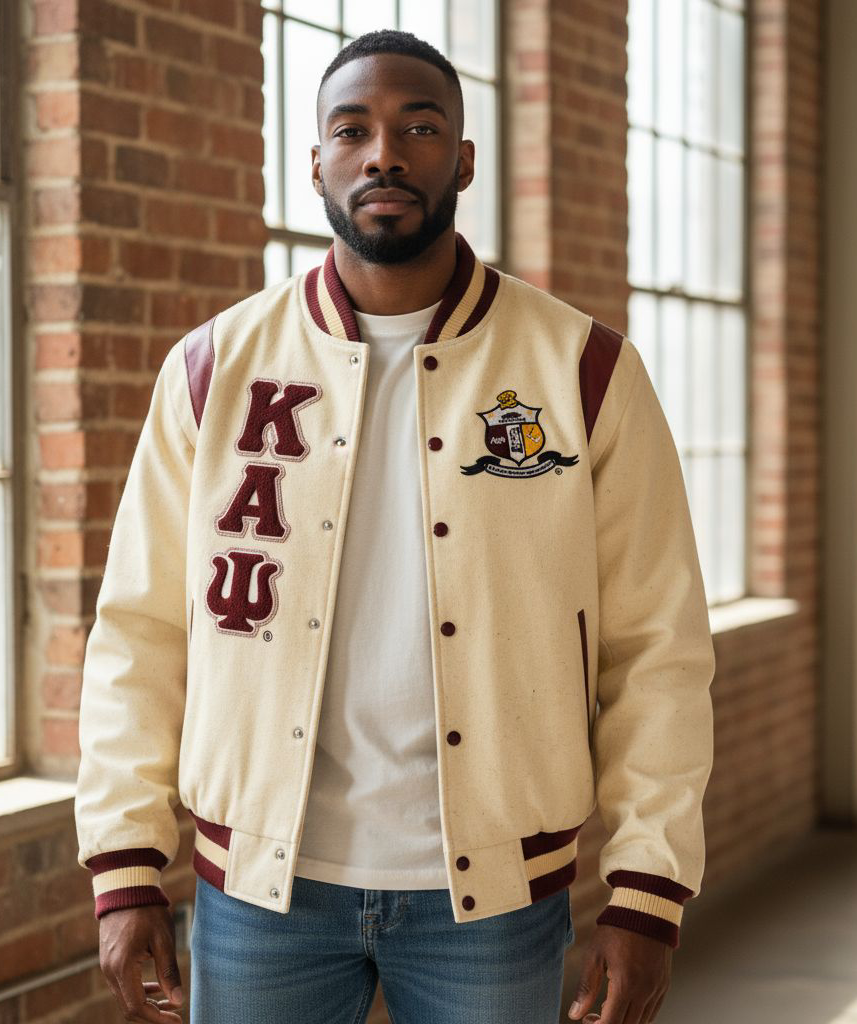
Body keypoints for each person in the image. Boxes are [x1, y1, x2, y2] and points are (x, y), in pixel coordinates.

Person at [74, 28, 716, 1024]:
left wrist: (646, 888)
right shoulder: (212, 370)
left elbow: (657, 649)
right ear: (316, 164)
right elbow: (142, 631)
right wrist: (123, 863)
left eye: (418, 127)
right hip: (257, 891)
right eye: (353, 129)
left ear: (463, 159)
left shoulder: (582, 371)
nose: (385, 152)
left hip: (494, 900)